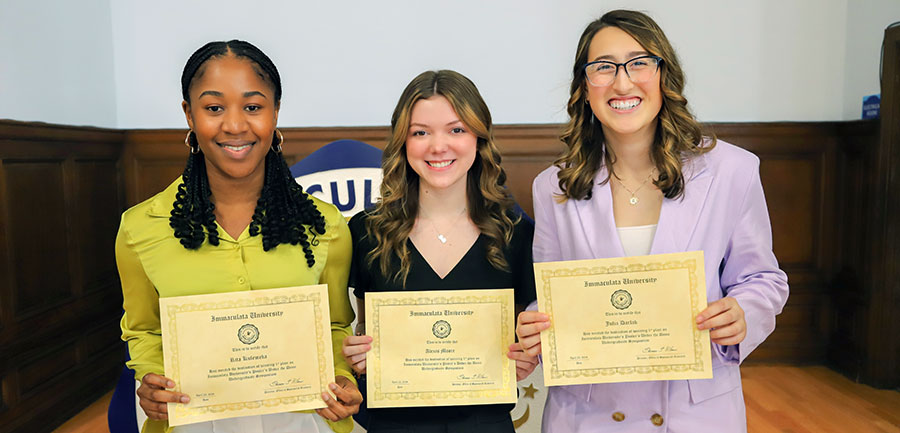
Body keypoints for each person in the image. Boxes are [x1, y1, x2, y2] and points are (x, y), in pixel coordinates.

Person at [515, 10, 789, 432]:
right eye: (603, 67)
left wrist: (743, 312)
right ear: (584, 88)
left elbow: (763, 280)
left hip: (694, 410)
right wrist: (536, 322)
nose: (622, 82)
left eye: (639, 63)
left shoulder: (732, 170)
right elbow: (550, 294)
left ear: (665, 75)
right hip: (588, 414)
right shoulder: (553, 186)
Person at [116, 40, 361, 433]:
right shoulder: (140, 228)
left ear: (275, 113)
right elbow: (144, 330)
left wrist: (342, 378)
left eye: (253, 106)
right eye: (214, 108)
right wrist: (151, 379)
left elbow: (334, 325)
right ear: (189, 115)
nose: (234, 125)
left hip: (302, 422)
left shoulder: (325, 225)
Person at [340, 70, 538, 433]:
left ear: (479, 138)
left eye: (456, 129)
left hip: (485, 425)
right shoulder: (366, 231)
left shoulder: (516, 233)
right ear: (403, 141)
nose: (438, 146)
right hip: (393, 426)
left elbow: (525, 336)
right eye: (420, 132)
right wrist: (355, 356)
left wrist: (526, 355)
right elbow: (357, 330)